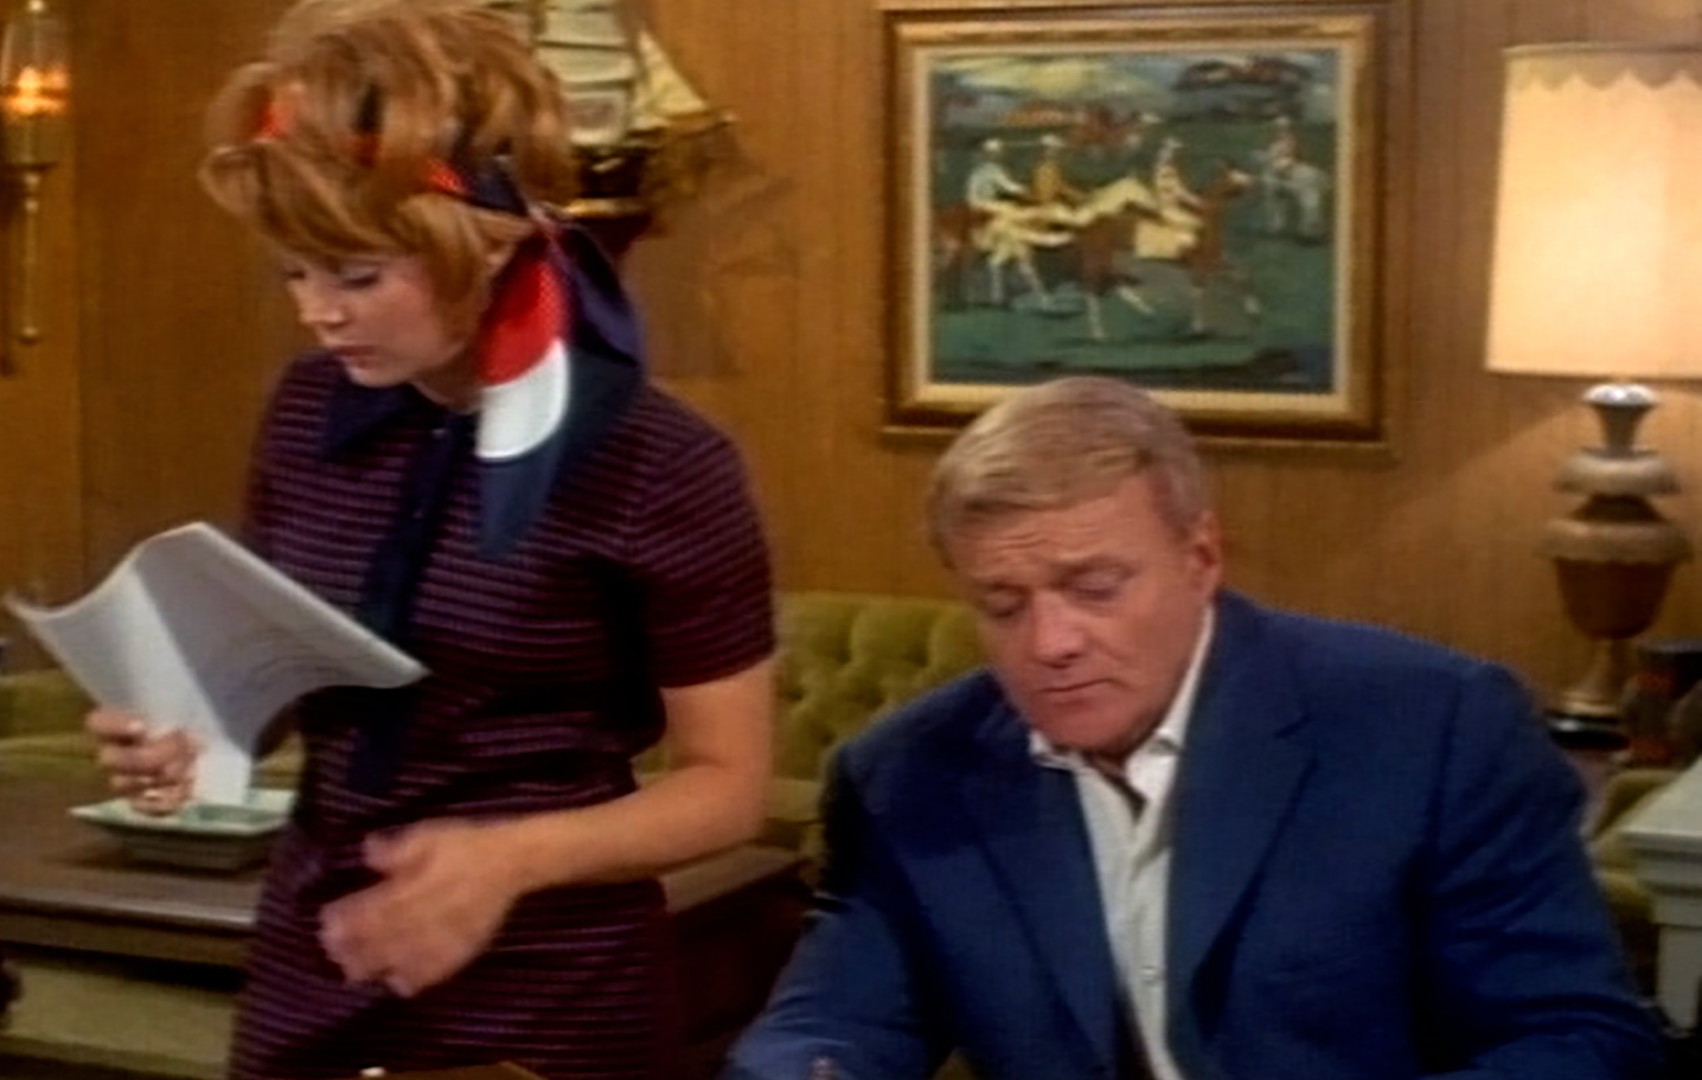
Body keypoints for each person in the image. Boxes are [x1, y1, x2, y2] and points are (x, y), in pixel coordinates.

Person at [84, 3, 776, 1078]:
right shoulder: (309, 411)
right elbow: (284, 665)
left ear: (483, 246)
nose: (318, 313)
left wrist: (507, 859)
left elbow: (728, 787)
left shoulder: (656, 462)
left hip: (549, 984)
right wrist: (188, 730)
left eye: (356, 276)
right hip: (318, 950)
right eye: (294, 272)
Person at [723, 377, 1664, 1080]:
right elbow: (834, 1023)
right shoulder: (909, 776)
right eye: (1003, 604)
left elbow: (1576, 1038)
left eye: (1095, 588)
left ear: (1200, 556)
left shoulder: (1430, 728)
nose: (1051, 643)